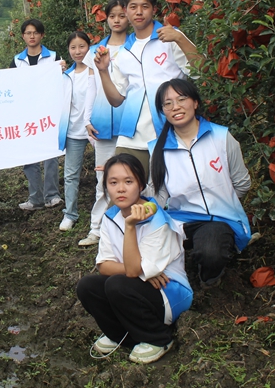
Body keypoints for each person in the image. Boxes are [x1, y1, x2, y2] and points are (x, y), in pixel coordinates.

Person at [76, 154, 192, 364]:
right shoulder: (110, 216)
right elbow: (104, 266)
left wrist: (130, 227)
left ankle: (158, 338)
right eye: (113, 183)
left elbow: (129, 272)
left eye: (128, 182)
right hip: (138, 286)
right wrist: (139, 272)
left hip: (169, 292)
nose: (120, 189)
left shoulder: (158, 222)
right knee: (88, 286)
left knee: (117, 284)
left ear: (141, 185)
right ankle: (122, 335)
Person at [149, 79, 252, 288]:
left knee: (211, 250)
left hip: (218, 219)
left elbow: (242, 183)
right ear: (163, 111)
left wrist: (223, 204)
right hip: (180, 220)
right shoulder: (157, 149)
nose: (175, 107)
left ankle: (209, 277)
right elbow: (157, 196)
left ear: (195, 102)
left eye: (182, 99)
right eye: (167, 103)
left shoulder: (221, 137)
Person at [93, 0, 200, 179]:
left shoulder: (170, 37)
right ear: (126, 11)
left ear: (154, 9)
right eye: (133, 7)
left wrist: (180, 38)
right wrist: (103, 71)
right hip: (131, 136)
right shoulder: (125, 51)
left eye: (145, 6)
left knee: (170, 190)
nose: (139, 12)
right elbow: (116, 99)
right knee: (124, 188)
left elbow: (201, 70)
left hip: (170, 130)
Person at [78, 0, 130, 246]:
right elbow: (92, 87)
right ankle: (97, 229)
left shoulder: (136, 47)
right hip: (103, 122)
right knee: (103, 178)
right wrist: (87, 118)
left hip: (131, 120)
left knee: (132, 175)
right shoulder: (95, 51)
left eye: (122, 15)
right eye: (112, 16)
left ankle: (129, 227)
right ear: (106, 18)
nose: (117, 20)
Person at [10, 18, 64, 210]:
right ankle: (35, 198)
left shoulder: (54, 58)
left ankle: (52, 195)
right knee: (29, 156)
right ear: (23, 36)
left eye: (35, 33)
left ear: (42, 35)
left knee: (51, 156)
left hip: (49, 113)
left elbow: (62, 82)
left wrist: (62, 71)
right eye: (28, 33)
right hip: (25, 114)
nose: (32, 36)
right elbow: (11, 85)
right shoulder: (17, 61)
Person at [58, 31, 94, 231]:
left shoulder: (98, 71)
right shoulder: (66, 76)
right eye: (73, 47)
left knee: (107, 172)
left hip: (97, 129)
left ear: (89, 47)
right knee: (71, 175)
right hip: (73, 130)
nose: (78, 51)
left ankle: (108, 213)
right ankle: (70, 214)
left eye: (82, 46)